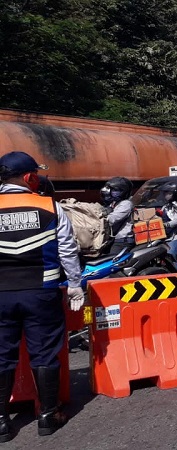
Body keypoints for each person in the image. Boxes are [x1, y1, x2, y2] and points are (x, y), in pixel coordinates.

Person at [0, 151, 83, 438]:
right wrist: (75, 284)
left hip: (1, 295)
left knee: (1, 355)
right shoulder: (49, 205)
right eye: (35, 174)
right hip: (41, 294)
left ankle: (1, 422)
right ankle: (48, 415)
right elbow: (68, 250)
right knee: (45, 352)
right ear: (28, 177)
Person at [102, 177, 135, 255]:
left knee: (113, 262)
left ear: (123, 192)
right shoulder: (114, 203)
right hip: (112, 239)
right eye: (111, 190)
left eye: (115, 190)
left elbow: (111, 220)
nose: (112, 192)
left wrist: (99, 218)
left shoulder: (126, 204)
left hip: (122, 240)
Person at [159, 182, 177, 261]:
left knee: (170, 256)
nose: (166, 195)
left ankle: (176, 273)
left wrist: (164, 225)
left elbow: (176, 221)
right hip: (167, 236)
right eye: (165, 193)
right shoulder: (166, 206)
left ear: (176, 193)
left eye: (168, 193)